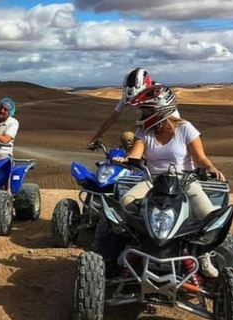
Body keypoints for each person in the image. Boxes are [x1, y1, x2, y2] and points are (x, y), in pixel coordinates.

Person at [112, 85, 225, 278]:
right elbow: (135, 154)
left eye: (146, 109)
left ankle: (202, 254)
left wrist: (211, 169)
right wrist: (126, 160)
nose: (142, 113)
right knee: (126, 201)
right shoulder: (144, 131)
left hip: (184, 180)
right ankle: (134, 245)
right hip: (153, 179)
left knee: (209, 214)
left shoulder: (186, 129)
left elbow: (200, 159)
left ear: (160, 109)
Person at [87, 67, 180, 146]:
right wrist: (97, 136)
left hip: (165, 131)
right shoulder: (131, 94)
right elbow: (113, 117)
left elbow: (173, 118)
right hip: (147, 129)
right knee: (126, 137)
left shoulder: (161, 94)